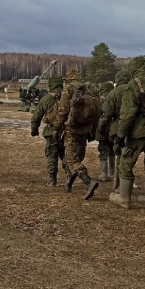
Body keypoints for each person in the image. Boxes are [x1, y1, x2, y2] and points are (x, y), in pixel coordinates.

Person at [109, 57, 145, 211]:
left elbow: (128, 114)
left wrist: (121, 135)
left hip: (138, 133)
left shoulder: (133, 85)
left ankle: (124, 199)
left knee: (126, 163)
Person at [53, 68, 100, 199]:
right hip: (85, 129)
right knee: (76, 157)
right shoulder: (91, 89)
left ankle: (89, 182)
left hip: (72, 129)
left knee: (72, 160)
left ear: (69, 78)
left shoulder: (69, 89)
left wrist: (56, 127)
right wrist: (93, 130)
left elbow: (62, 111)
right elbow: (98, 113)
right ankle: (68, 184)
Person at [99, 70, 131, 194]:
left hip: (118, 128)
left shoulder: (114, 93)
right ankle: (126, 183)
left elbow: (106, 114)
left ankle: (118, 186)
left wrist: (102, 128)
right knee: (129, 157)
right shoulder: (135, 90)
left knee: (119, 156)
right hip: (134, 128)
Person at [30, 76, 65, 186]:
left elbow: (36, 117)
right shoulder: (67, 97)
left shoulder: (45, 99)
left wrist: (34, 131)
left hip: (50, 132)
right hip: (66, 132)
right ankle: (70, 177)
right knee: (66, 156)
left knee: (51, 155)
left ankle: (52, 179)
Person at [96, 81, 116, 182]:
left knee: (103, 150)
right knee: (112, 150)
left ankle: (104, 174)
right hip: (113, 128)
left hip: (102, 127)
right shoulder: (114, 96)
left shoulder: (99, 99)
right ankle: (112, 173)